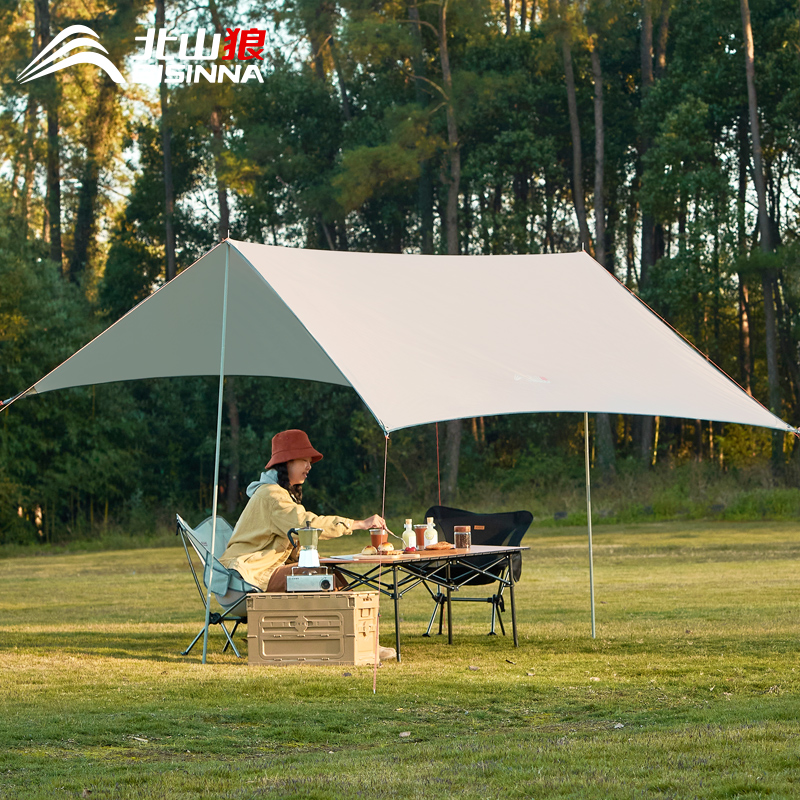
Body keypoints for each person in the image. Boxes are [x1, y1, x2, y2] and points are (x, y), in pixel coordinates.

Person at [220, 428, 388, 592]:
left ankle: (358, 617)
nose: (309, 467)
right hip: (245, 576)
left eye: (310, 462)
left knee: (328, 573)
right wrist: (358, 524)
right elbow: (307, 526)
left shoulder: (279, 494)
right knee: (323, 577)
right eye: (304, 461)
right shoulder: (272, 496)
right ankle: (355, 617)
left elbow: (292, 547)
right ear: (287, 462)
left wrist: (321, 560)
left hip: (256, 572)